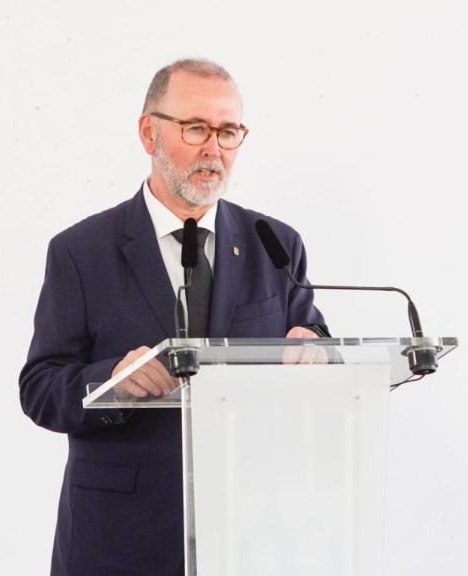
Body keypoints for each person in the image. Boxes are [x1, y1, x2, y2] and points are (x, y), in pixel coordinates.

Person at [19, 58, 328, 576]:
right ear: (149, 133)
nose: (214, 149)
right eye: (196, 128)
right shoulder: (81, 252)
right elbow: (40, 388)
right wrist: (112, 381)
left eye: (228, 132)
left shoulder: (274, 244)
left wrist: (314, 345)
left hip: (250, 531)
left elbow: (311, 336)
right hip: (121, 537)